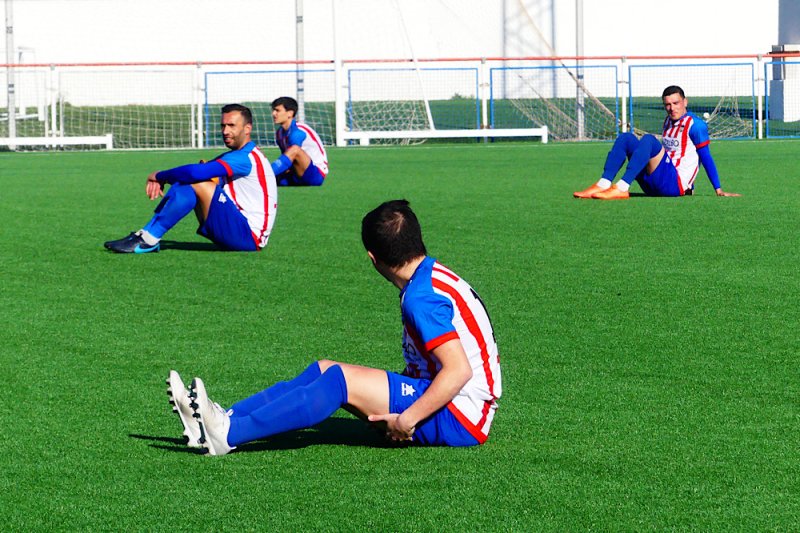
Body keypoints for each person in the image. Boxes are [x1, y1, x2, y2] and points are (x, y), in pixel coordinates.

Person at [166, 199, 502, 455]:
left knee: (339, 382)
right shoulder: (429, 276)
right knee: (324, 369)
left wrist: (407, 419)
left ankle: (226, 435)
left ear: (373, 257)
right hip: (456, 400)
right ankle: (219, 417)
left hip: (462, 416)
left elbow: (458, 371)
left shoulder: (421, 298)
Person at [104, 104, 277, 253]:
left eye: (231, 125)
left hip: (249, 237)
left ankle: (149, 238)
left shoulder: (244, 158)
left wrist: (159, 176)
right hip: (237, 229)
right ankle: (147, 235)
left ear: (247, 128)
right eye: (223, 125)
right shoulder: (237, 155)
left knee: (195, 178)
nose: (225, 131)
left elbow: (196, 174)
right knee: (190, 177)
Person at [573, 85, 740, 200]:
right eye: (667, 104)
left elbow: (706, 157)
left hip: (674, 186)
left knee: (649, 140)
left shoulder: (695, 125)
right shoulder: (668, 121)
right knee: (626, 138)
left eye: (676, 103)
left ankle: (622, 188)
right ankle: (603, 184)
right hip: (654, 185)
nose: (672, 108)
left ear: (685, 102)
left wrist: (718, 189)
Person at [269, 96, 329, 186]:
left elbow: (294, 151)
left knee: (295, 150)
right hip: (297, 173)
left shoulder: (299, 130)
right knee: (270, 182)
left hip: (315, 174)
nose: (273, 113)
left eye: (277, 110)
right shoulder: (279, 133)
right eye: (273, 110)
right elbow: (287, 158)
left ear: (290, 113)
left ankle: (265, 174)